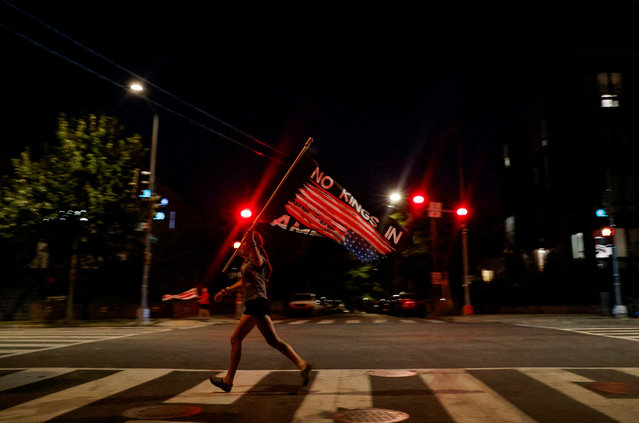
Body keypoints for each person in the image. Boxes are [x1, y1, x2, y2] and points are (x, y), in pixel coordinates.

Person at [210, 230, 312, 392]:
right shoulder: (247, 262)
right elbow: (243, 282)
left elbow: (258, 260)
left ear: (250, 244)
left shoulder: (258, 260)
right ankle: (303, 365)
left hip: (256, 304)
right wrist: (225, 291)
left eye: (244, 243)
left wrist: (252, 241)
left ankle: (228, 380)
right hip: (258, 304)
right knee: (274, 341)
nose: (241, 246)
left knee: (235, 339)